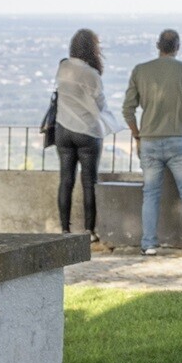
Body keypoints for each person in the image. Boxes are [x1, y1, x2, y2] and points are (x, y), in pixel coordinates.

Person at [122, 28, 182, 257]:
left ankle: (148, 244)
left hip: (149, 140)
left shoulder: (140, 71)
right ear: (177, 46)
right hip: (179, 140)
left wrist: (137, 134)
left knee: (150, 194)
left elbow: (127, 109)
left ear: (158, 45)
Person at [54, 28, 114, 244]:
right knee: (89, 182)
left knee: (65, 180)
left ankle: (64, 229)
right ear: (93, 49)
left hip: (62, 129)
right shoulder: (92, 75)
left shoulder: (63, 67)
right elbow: (100, 104)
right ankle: (89, 231)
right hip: (87, 131)